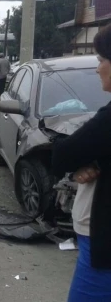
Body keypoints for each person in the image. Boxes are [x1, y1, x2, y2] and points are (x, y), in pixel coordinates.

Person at [51, 23, 111, 301]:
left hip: (104, 244)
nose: (97, 68)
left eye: (101, 60)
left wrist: (81, 164)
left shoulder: (107, 120)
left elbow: (63, 154)